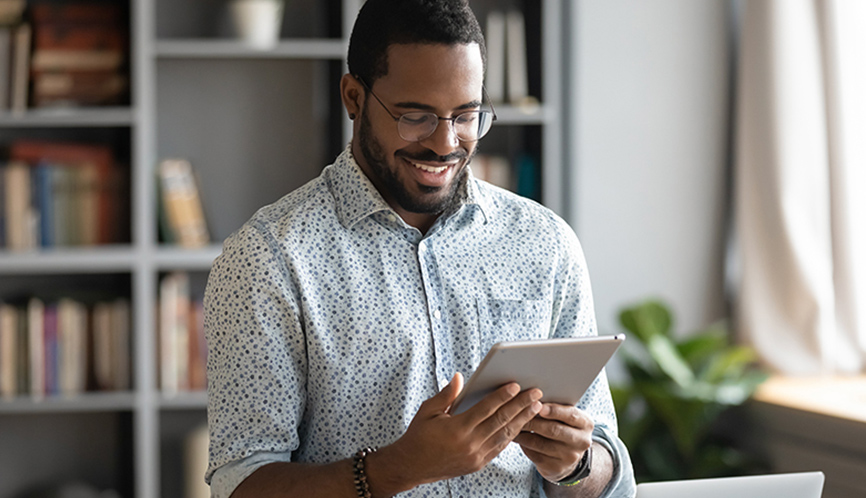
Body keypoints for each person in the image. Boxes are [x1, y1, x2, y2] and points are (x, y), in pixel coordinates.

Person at [203, 0, 635, 497]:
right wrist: (396, 469)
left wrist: (576, 465)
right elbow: (241, 486)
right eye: (416, 117)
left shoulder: (545, 243)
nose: (445, 143)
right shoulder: (268, 260)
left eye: (467, 116)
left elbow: (608, 471)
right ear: (353, 97)